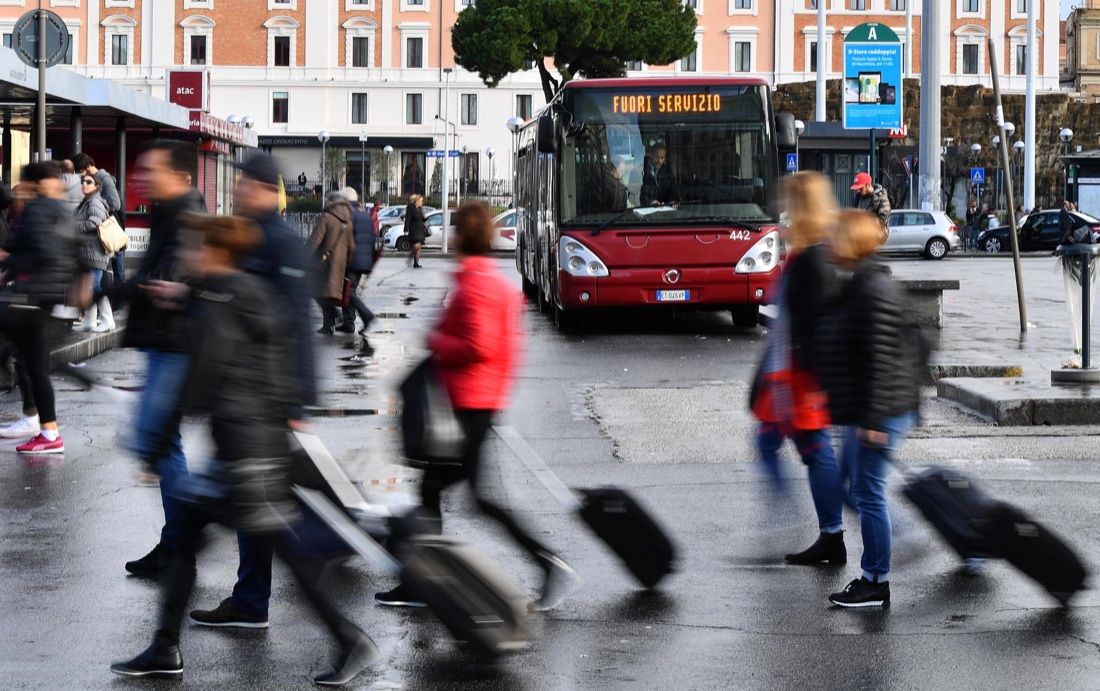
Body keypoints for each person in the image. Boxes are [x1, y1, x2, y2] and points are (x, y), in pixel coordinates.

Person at [110, 215, 379, 686]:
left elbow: (201, 383)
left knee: (265, 548)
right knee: (197, 538)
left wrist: (155, 437)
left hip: (244, 452)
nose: (191, 254)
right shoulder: (247, 293)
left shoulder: (221, 303)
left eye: (198, 248)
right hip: (253, 444)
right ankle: (165, 644)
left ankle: (347, 640)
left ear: (217, 254)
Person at [375, 202, 580, 611]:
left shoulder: (475, 286)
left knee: (449, 491)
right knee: (455, 492)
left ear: (460, 237)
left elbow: (477, 346)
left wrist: (435, 342)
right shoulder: (488, 281)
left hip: (468, 404)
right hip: (481, 401)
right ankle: (428, 578)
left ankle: (546, 565)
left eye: (453, 231)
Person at [169, 151, 320, 633]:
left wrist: (296, 402)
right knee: (261, 513)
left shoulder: (278, 241)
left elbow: (296, 323)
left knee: (265, 515)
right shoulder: (246, 233)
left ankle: (255, 600)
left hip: (261, 404)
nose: (236, 189)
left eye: (243, 183)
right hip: (245, 405)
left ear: (261, 187)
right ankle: (250, 598)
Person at [109, 140, 207, 576]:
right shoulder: (169, 214)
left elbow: (163, 282)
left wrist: (101, 289)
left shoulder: (187, 217)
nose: (143, 179)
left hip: (175, 344)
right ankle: (177, 542)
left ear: (181, 178)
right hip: (164, 342)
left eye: (153, 172)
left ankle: (184, 540)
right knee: (162, 444)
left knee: (154, 440)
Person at [818, 209, 923, 608]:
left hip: (881, 411)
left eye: (835, 236)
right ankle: (899, 539)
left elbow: (879, 359)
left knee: (866, 491)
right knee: (848, 484)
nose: (828, 242)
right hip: (873, 408)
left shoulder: (872, 289)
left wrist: (874, 419)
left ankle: (875, 579)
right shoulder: (862, 282)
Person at [750, 172, 846, 565]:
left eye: (790, 202)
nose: (783, 209)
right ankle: (824, 532)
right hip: (787, 377)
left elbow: (812, 325)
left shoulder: (814, 259)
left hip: (799, 379)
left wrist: (801, 383)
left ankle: (827, 533)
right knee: (780, 445)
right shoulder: (807, 254)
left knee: (816, 450)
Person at [0, 162, 84, 453]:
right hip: (51, 300)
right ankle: (47, 431)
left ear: (33, 184)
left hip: (34, 301)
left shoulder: (38, 209)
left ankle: (47, 432)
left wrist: (6, 259)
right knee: (33, 365)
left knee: (32, 364)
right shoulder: (62, 210)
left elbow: (38, 254)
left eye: (22, 182)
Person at [72, 152, 126, 285]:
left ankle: (118, 303)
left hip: (109, 231)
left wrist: (100, 207)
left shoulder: (104, 179)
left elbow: (116, 204)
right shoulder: (95, 181)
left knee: (116, 270)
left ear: (88, 166)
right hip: (103, 233)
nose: (83, 178)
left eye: (82, 172)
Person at [72, 173, 116, 333]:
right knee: (89, 287)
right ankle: (90, 321)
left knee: (94, 287)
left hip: (95, 252)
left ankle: (107, 320)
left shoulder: (95, 201)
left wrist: (74, 226)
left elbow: (94, 222)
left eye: (88, 182)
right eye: (82, 181)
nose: (84, 184)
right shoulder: (87, 201)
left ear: (97, 186)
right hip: (88, 252)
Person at [308, 191, 355, 335]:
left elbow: (315, 239)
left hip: (324, 261)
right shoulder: (348, 221)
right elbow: (352, 246)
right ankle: (328, 326)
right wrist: (348, 262)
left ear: (330, 203)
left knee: (315, 290)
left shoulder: (326, 217)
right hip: (340, 264)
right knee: (328, 293)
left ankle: (334, 316)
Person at [338, 188, 378, 346]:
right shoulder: (364, 214)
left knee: (347, 291)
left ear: (346, 200)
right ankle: (348, 323)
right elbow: (372, 237)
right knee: (348, 290)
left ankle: (366, 314)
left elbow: (344, 239)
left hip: (352, 260)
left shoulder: (349, 214)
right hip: (364, 260)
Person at [849, 172, 891, 242]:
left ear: (868, 185)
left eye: (861, 188)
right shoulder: (858, 197)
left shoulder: (881, 198)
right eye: (857, 189)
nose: (858, 191)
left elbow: (883, 220)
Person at [403, 194, 427, 268]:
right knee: (416, 245)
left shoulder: (420, 209)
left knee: (419, 246)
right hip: (413, 228)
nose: (422, 203)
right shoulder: (410, 208)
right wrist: (406, 229)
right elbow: (408, 219)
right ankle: (411, 255)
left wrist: (425, 218)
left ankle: (416, 262)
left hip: (420, 228)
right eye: (421, 201)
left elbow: (422, 218)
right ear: (416, 201)